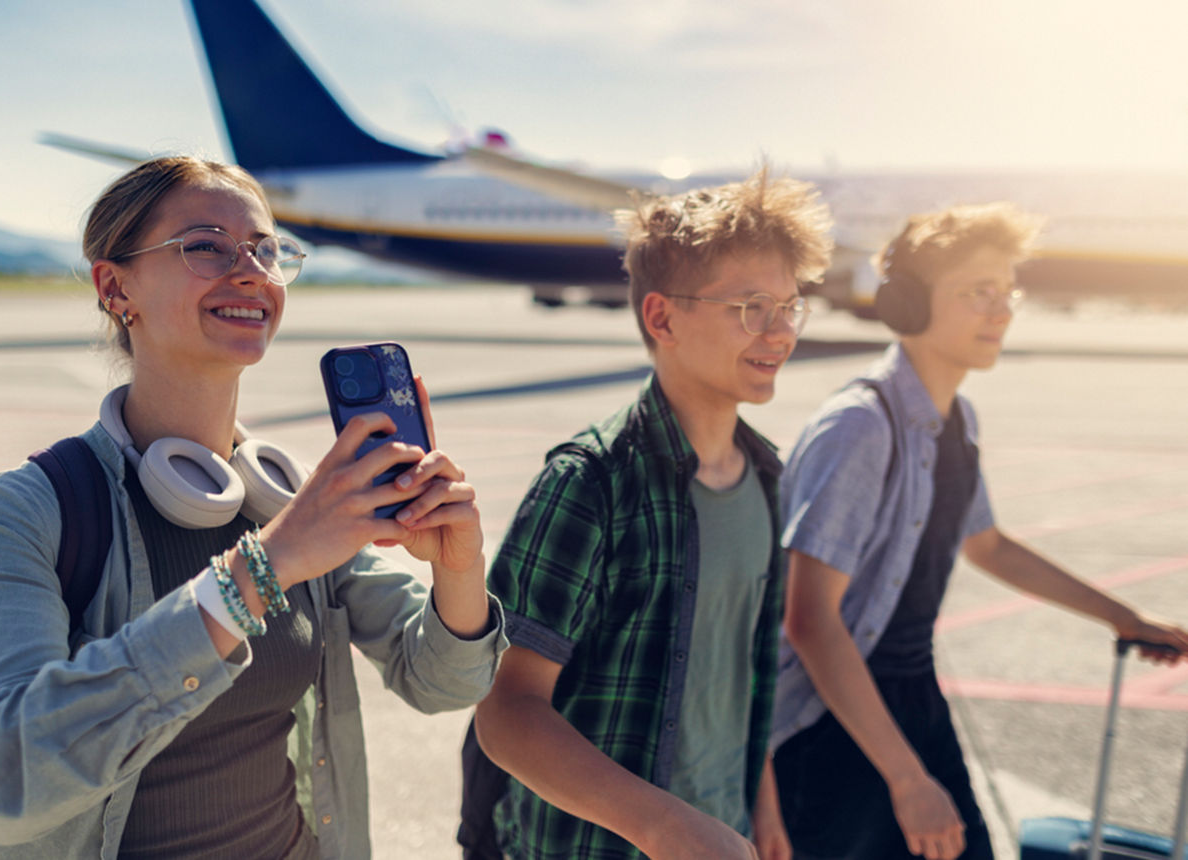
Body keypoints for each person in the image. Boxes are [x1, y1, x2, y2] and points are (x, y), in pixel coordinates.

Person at [0, 155, 507, 859]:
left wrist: (458, 566)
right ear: (116, 288)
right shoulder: (23, 510)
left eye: (267, 250)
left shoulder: (287, 494)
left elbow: (445, 682)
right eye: (206, 246)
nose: (252, 272)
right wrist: (264, 568)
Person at [771, 202, 1188, 860]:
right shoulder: (860, 427)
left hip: (914, 699)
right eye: (976, 293)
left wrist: (1123, 617)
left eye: (1006, 292)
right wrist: (907, 780)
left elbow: (988, 545)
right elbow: (812, 623)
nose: (1000, 312)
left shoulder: (956, 419)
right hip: (833, 721)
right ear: (908, 303)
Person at [473, 170, 834, 860]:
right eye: (753, 307)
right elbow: (506, 712)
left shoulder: (770, 478)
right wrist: (663, 826)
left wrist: (761, 809)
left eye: (791, 306)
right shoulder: (589, 483)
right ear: (662, 318)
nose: (782, 332)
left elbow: (740, 676)